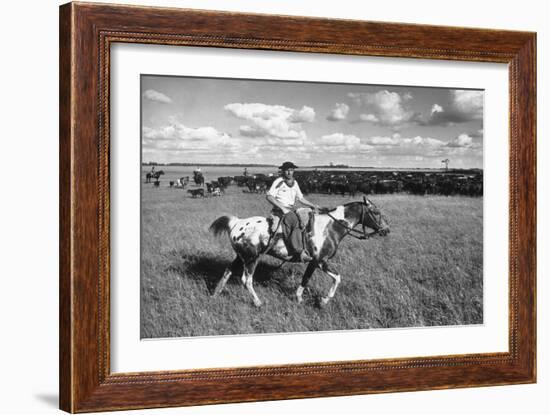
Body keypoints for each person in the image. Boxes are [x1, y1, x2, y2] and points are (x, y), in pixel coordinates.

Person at [266, 161, 320, 262]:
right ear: (283, 171)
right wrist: (282, 208)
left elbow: (301, 198)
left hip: (289, 210)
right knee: (295, 220)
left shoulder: (295, 183)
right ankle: (299, 251)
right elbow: (269, 196)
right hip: (279, 210)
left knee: (308, 216)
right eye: (287, 170)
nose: (289, 173)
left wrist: (313, 205)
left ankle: (309, 246)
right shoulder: (279, 181)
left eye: (291, 170)